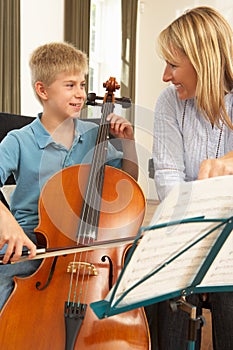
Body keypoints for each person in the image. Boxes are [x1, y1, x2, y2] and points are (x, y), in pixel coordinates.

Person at [0, 42, 138, 310]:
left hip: (88, 240)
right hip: (35, 240)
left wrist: (128, 143)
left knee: (136, 277)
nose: (80, 94)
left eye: (83, 85)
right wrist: (7, 222)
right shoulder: (18, 140)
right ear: (43, 90)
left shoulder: (91, 135)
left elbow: (126, 182)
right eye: (70, 85)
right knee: (5, 282)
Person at [150, 6, 233, 350]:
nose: (166, 76)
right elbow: (168, 179)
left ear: (203, 61)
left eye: (173, 64)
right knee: (162, 285)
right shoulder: (169, 102)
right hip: (187, 227)